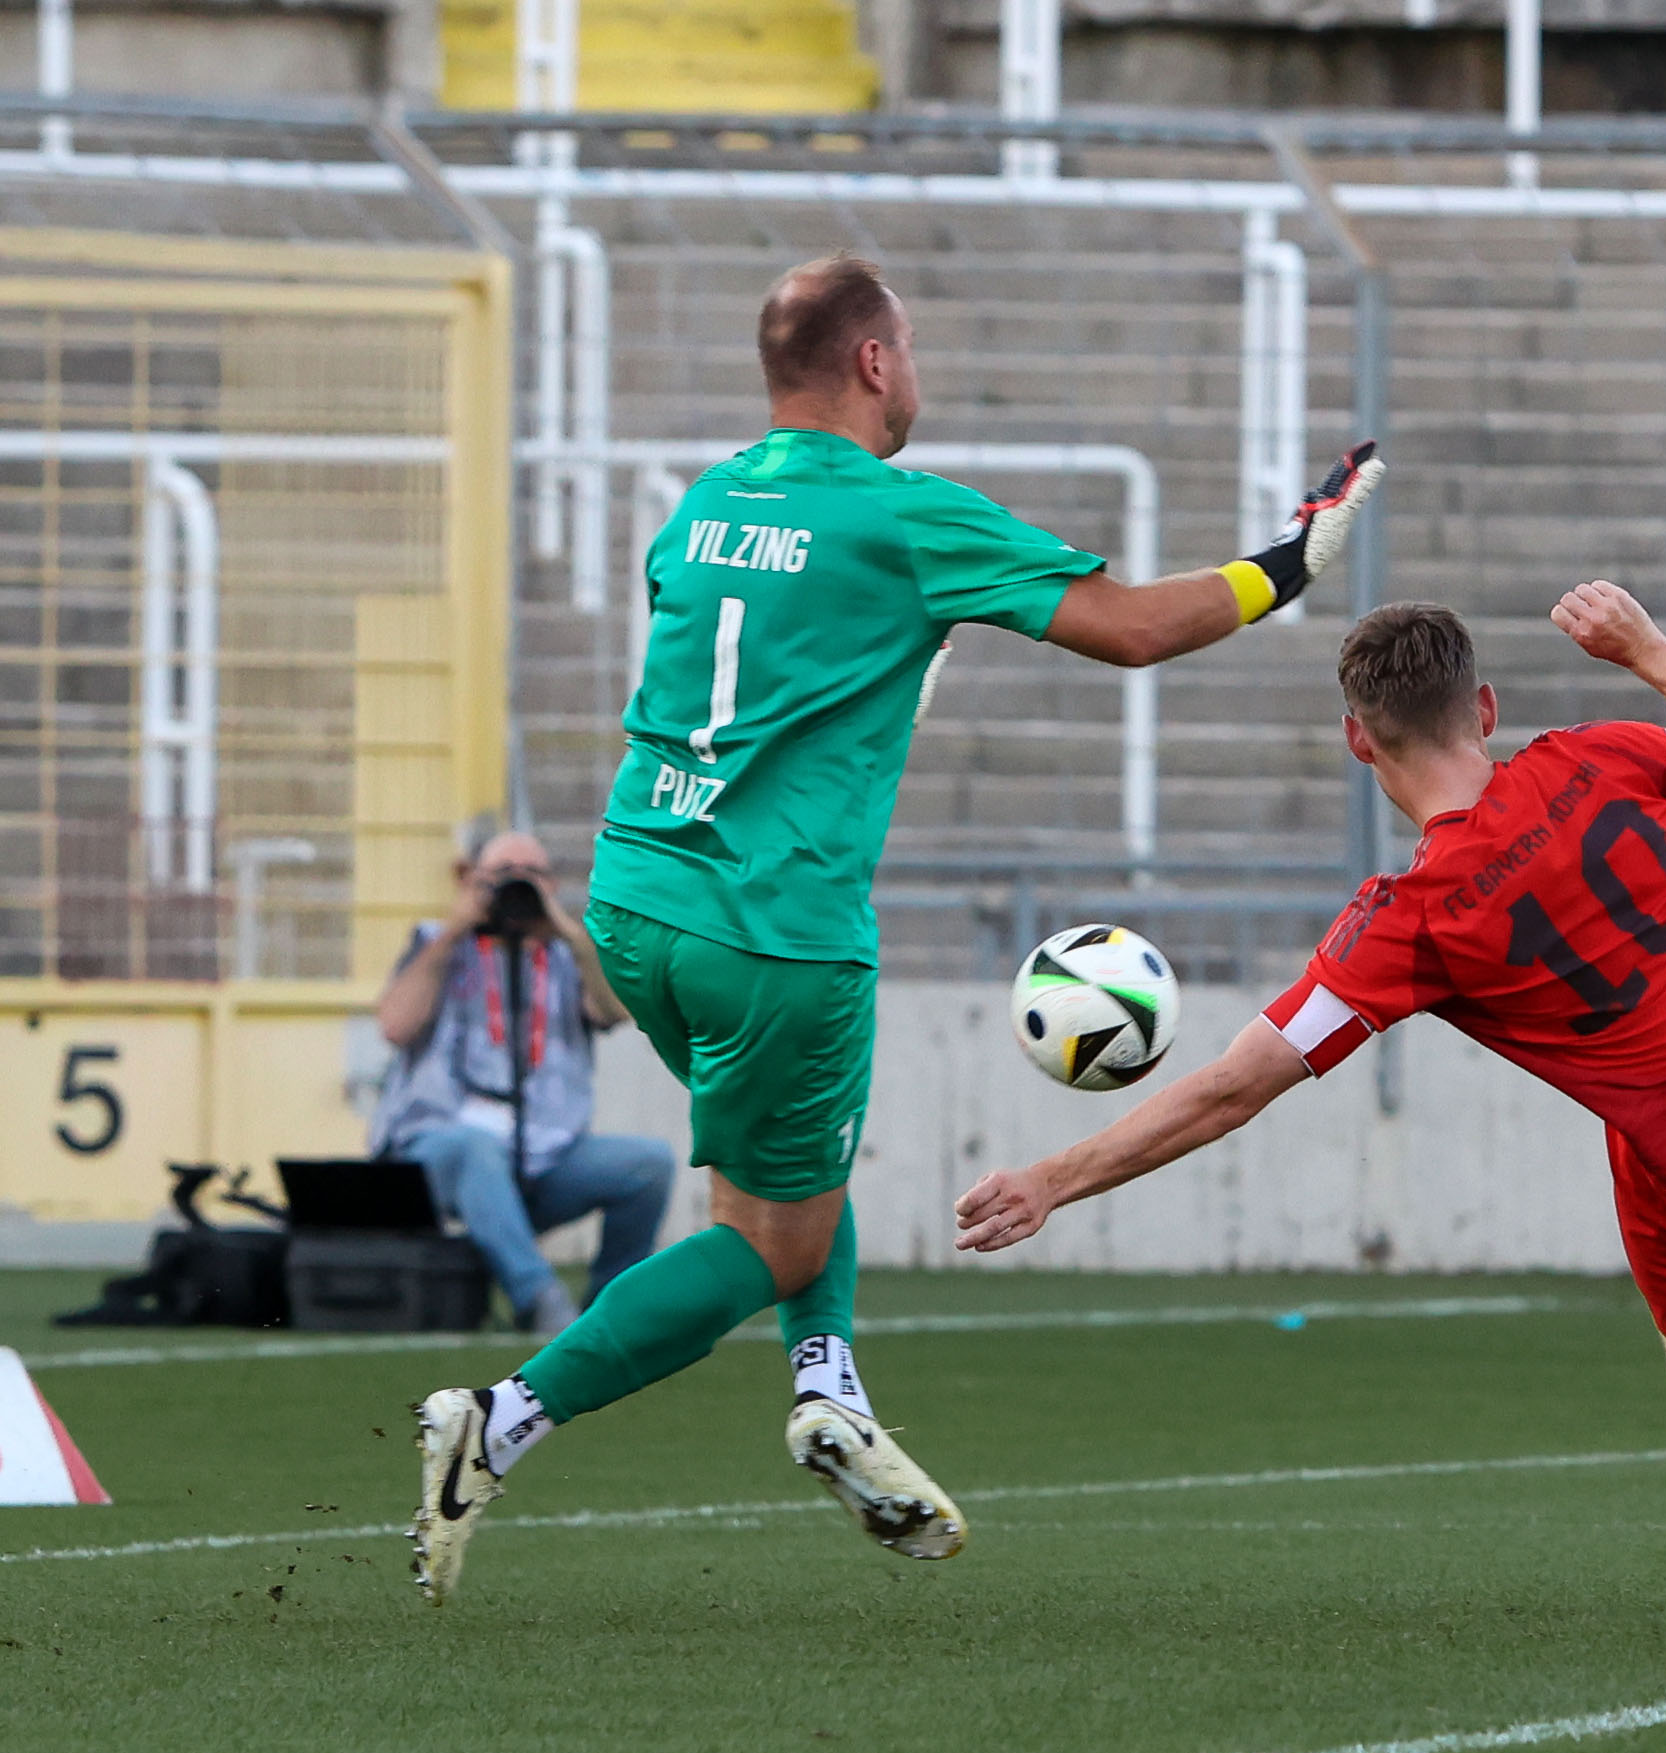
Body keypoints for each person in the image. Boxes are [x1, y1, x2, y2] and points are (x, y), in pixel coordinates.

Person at [406, 253, 1386, 1605]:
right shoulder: (904, 514)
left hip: (636, 900)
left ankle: (833, 1393)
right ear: (874, 363)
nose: (914, 372)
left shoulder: (698, 506)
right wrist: (1290, 561)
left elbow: (770, 666)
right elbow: (1137, 629)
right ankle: (502, 1417)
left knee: (779, 1182)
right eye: (909, 349)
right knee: (771, 1241)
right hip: (776, 926)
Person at [953, 586, 1666, 1645]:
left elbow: (1235, 1088)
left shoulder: (1408, 921)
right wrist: (1645, 652)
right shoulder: (1591, 755)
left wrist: (1051, 1180)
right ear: (1483, 710)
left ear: (1358, 743)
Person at [370, 823, 677, 1338]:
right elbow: (395, 1026)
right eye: (500, 876)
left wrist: (574, 939)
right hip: (440, 1148)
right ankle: (541, 1303)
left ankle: (608, 1317)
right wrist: (454, 930)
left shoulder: (566, 955)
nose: (517, 886)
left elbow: (615, 1011)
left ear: (552, 886)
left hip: (546, 1151)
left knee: (648, 1165)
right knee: (474, 1148)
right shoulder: (433, 942)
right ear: (471, 881)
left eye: (530, 875)